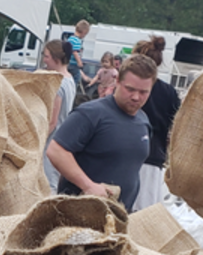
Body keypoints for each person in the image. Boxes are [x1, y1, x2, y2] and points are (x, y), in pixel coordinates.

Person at [46, 54, 157, 212]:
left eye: (143, 92)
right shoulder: (91, 113)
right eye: (130, 89)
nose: (135, 97)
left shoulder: (143, 121)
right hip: (78, 215)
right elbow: (56, 150)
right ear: (117, 80)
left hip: (119, 218)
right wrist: (88, 186)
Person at [130, 37, 180, 211]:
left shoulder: (129, 89)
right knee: (145, 215)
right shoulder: (169, 92)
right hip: (154, 156)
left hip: (126, 155)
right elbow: (173, 129)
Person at [41, 39, 77, 192]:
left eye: (46, 56)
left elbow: (52, 121)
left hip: (51, 140)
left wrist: (39, 141)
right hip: (63, 137)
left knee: (48, 183)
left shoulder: (59, 84)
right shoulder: (70, 80)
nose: (44, 60)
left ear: (56, 59)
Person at [67, 20, 90, 89]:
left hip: (68, 63)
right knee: (76, 77)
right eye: (85, 34)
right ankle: (73, 89)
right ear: (83, 32)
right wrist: (79, 62)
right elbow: (75, 52)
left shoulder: (70, 38)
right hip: (73, 64)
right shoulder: (77, 41)